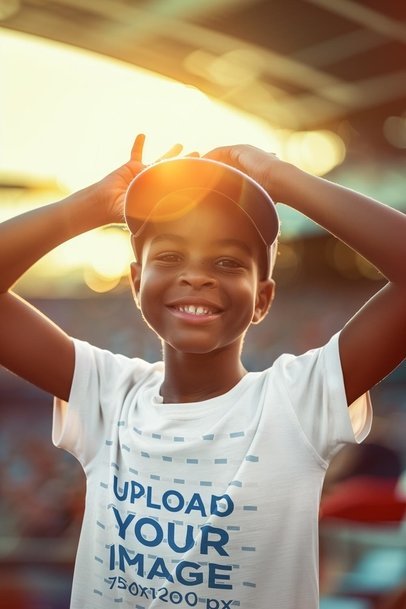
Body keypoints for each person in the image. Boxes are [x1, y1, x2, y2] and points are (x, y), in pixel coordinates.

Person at [0, 133, 404, 609]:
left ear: (263, 298)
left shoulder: (296, 401)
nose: (196, 275)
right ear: (135, 281)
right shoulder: (108, 393)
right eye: (170, 256)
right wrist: (87, 207)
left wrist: (281, 178)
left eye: (228, 261)